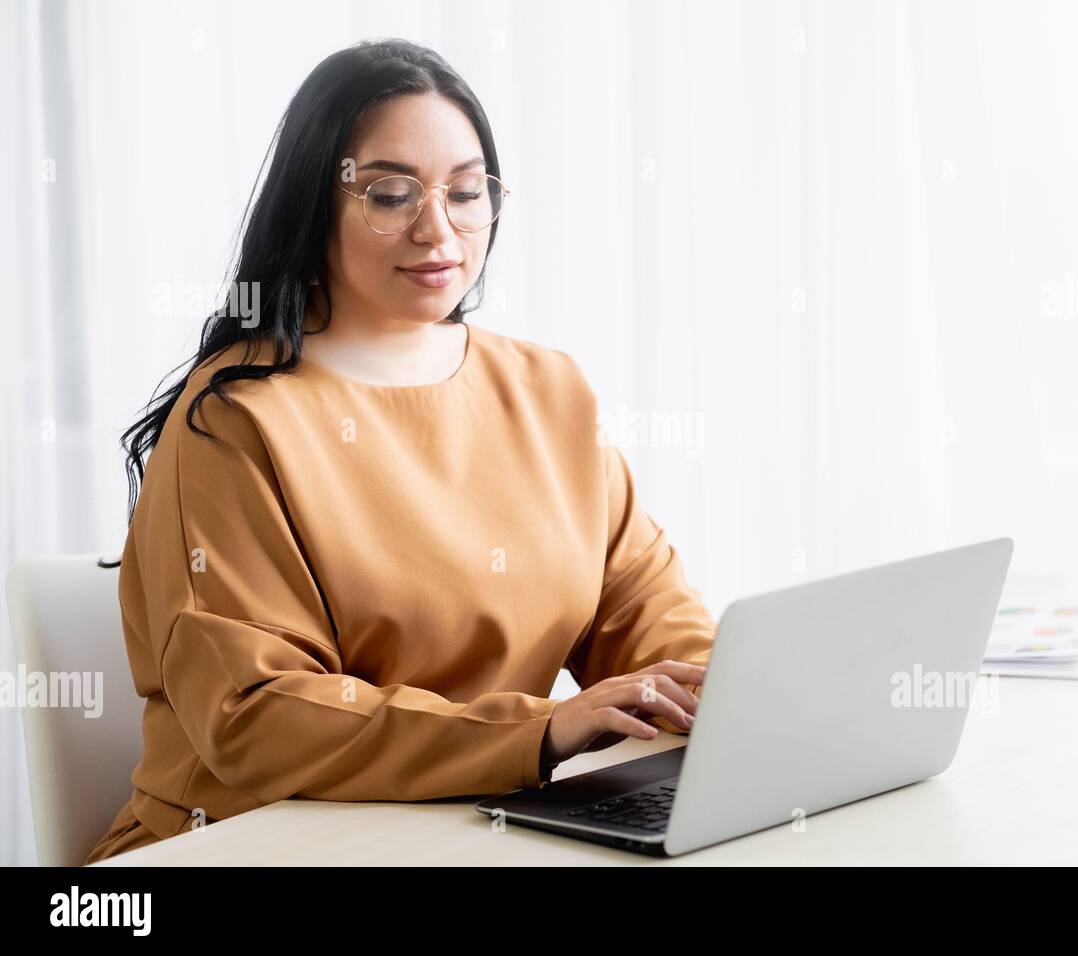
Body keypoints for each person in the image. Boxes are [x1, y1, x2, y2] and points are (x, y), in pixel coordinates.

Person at [85, 38, 712, 864]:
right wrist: (538, 731)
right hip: (245, 846)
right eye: (389, 194)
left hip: (473, 833)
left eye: (465, 192)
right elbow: (256, 715)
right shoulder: (236, 421)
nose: (438, 229)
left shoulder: (550, 390)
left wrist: (726, 696)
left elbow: (645, 615)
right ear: (316, 206)